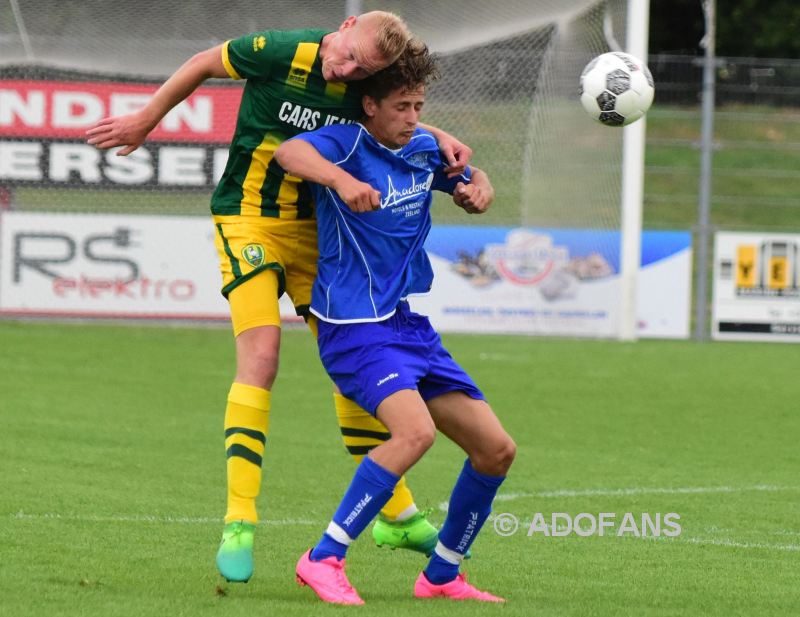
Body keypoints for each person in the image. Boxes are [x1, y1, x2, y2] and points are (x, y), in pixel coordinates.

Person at [85, 11, 474, 584]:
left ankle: (396, 514)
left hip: (318, 234)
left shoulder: (365, 79)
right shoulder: (278, 50)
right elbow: (201, 63)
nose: (345, 70)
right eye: (346, 56)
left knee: (355, 355)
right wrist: (146, 120)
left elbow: (394, 119)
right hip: (248, 219)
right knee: (262, 358)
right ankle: (239, 520)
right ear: (345, 24)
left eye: (362, 70)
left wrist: (439, 137)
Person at [274, 41, 516, 605]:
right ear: (370, 107)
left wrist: (478, 189)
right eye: (401, 107)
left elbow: (470, 176)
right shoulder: (348, 144)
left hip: (407, 328)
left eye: (418, 106)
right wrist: (338, 181)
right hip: (353, 329)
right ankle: (322, 558)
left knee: (496, 450)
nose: (412, 118)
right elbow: (289, 153)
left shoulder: (426, 146)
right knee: (415, 434)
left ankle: (442, 575)